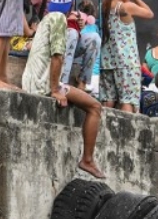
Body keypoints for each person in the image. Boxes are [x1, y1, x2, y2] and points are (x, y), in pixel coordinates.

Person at [21, 11, 103, 178]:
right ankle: (87, 160)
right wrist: (55, 90)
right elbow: (57, 57)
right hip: (43, 83)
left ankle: (88, 160)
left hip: (32, 80)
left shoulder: (46, 20)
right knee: (95, 107)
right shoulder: (59, 18)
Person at [98, 0, 153, 112]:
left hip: (107, 60)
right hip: (126, 62)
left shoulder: (103, 7)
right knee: (127, 100)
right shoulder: (126, 7)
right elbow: (149, 13)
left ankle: (103, 124)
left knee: (107, 100)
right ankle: (125, 127)